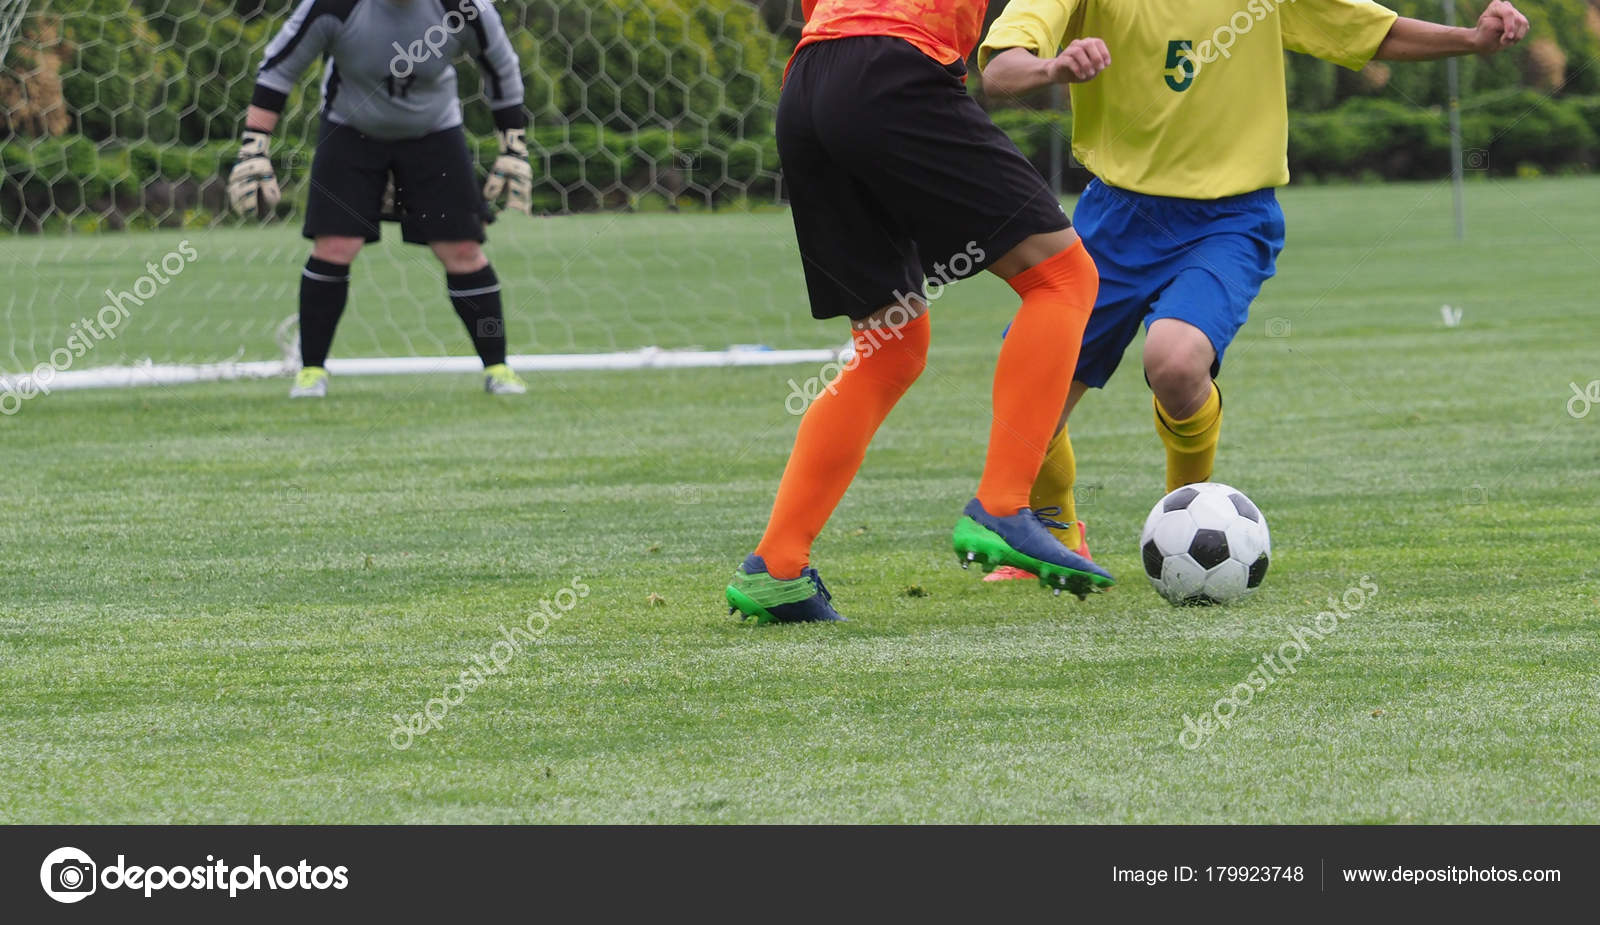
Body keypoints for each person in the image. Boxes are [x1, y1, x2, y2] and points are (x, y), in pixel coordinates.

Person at [975, 0, 1528, 579]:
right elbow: (999, 69)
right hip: (1115, 217)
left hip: (1230, 219)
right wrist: (1052, 68)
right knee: (1031, 392)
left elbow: (1368, 31)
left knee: (1175, 361)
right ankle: (1056, 529)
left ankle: (1187, 523)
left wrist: (1471, 39)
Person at [723, 0, 1118, 625]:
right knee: (1063, 277)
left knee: (891, 345)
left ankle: (777, 566)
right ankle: (1003, 504)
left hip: (809, 80)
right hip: (894, 68)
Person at [226, 0, 536, 398]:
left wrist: (513, 146)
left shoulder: (464, 7)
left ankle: (498, 368)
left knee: (462, 249)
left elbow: (501, 67)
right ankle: (311, 372)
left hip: (435, 132)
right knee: (335, 246)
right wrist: (254, 147)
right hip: (350, 129)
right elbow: (278, 68)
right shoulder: (333, 6)